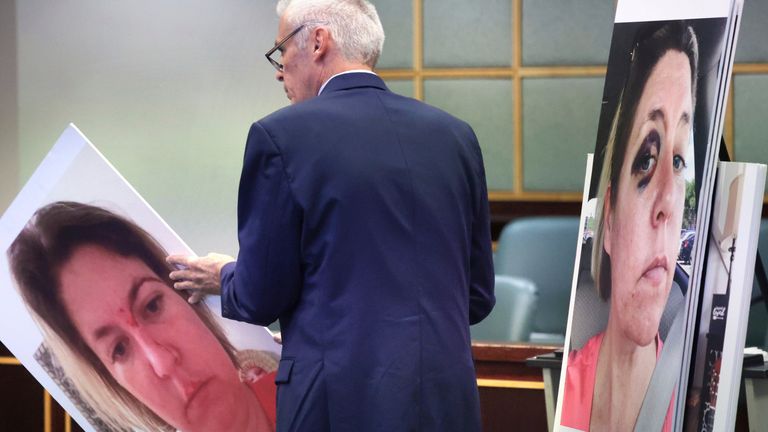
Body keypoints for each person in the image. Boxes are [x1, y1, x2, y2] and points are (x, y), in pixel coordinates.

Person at [166, 0, 495, 430]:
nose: (279, 71)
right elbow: (477, 295)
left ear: (318, 41)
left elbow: (260, 294)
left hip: (337, 404)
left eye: (281, 50)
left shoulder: (281, 136)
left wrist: (224, 274)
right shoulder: (455, 137)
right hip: (448, 402)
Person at [8, 201, 278, 432]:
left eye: (151, 306)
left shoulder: (307, 376)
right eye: (120, 349)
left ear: (185, 298)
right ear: (115, 383)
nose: (164, 363)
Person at [561, 21, 699, 431]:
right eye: (646, 158)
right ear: (611, 215)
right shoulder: (569, 386)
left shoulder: (694, 403)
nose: (668, 204)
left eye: (677, 161)